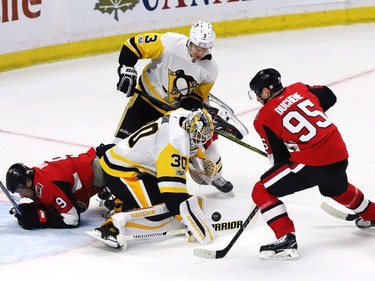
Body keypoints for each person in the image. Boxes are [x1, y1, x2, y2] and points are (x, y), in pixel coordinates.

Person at [247, 68, 375, 260]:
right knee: (335, 188)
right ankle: (372, 213)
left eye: (258, 93)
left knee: (261, 190)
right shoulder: (299, 88)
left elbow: (279, 158)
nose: (257, 99)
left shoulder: (263, 117)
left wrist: (293, 146)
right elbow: (329, 96)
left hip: (314, 162)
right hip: (339, 155)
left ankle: (285, 239)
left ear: (266, 92)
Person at [113, 20, 233, 193]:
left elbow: (199, 94)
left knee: (175, 150)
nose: (200, 52)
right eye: (197, 47)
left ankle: (211, 172)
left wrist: (192, 102)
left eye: (204, 49)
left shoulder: (210, 69)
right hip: (142, 104)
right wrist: (126, 68)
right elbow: (133, 45)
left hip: (170, 115)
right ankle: (111, 185)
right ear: (190, 41)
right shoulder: (169, 42)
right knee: (119, 147)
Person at [90, 108, 218, 250]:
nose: (198, 142)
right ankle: (112, 226)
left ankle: (123, 200)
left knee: (171, 206)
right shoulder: (174, 144)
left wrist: (199, 159)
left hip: (136, 165)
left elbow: (190, 144)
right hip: (122, 172)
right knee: (159, 215)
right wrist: (191, 221)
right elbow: (173, 197)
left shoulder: (182, 115)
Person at [5, 147, 106, 229]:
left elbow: (72, 219)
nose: (22, 196)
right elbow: (51, 202)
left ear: (28, 182)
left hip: (102, 173)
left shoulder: (46, 186)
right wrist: (32, 208)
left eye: (20, 191)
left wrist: (39, 219)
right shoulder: (38, 177)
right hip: (96, 163)